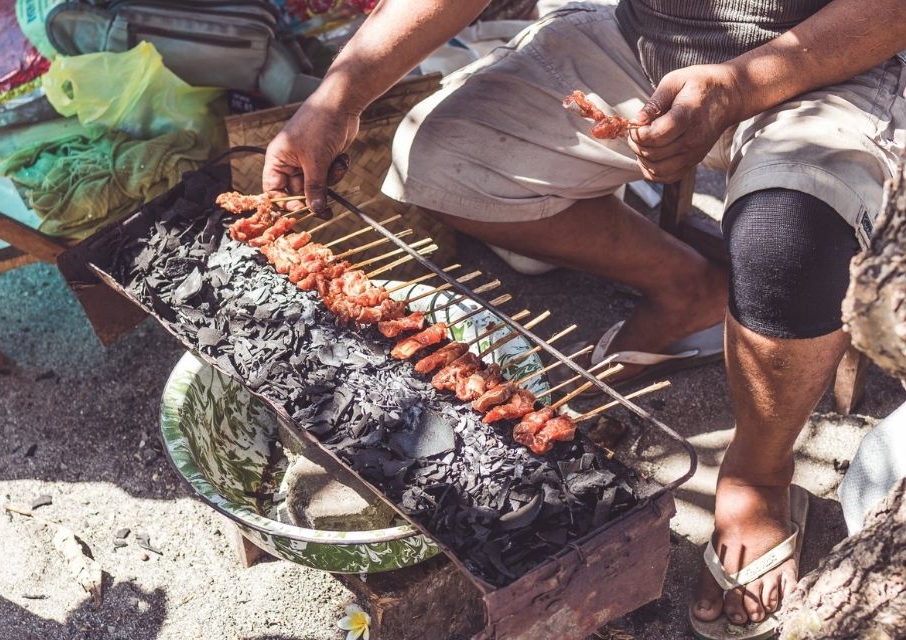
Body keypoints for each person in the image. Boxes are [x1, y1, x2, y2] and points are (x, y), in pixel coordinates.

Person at [261, 0, 906, 634]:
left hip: (842, 63)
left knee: (783, 242)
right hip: (652, 39)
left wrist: (737, 86)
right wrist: (335, 99)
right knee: (439, 155)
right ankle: (689, 289)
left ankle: (758, 474)